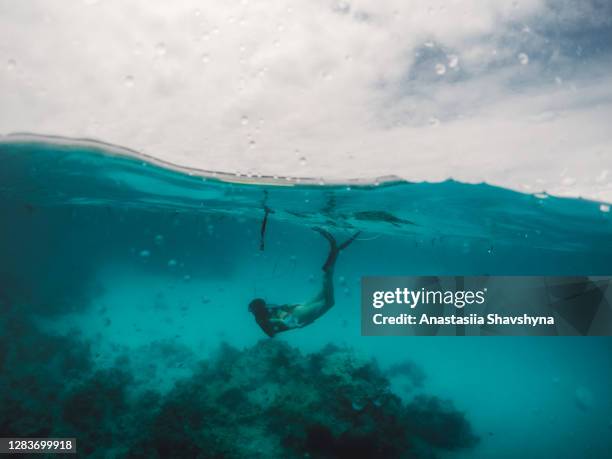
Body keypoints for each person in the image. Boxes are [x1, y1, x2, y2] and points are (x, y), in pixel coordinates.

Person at [249, 227, 360, 337]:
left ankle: (331, 263)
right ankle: (333, 257)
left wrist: (298, 325)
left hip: (297, 317)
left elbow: (276, 326)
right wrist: (291, 309)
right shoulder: (265, 310)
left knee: (329, 302)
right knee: (323, 292)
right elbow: (280, 309)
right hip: (296, 310)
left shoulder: (260, 319)